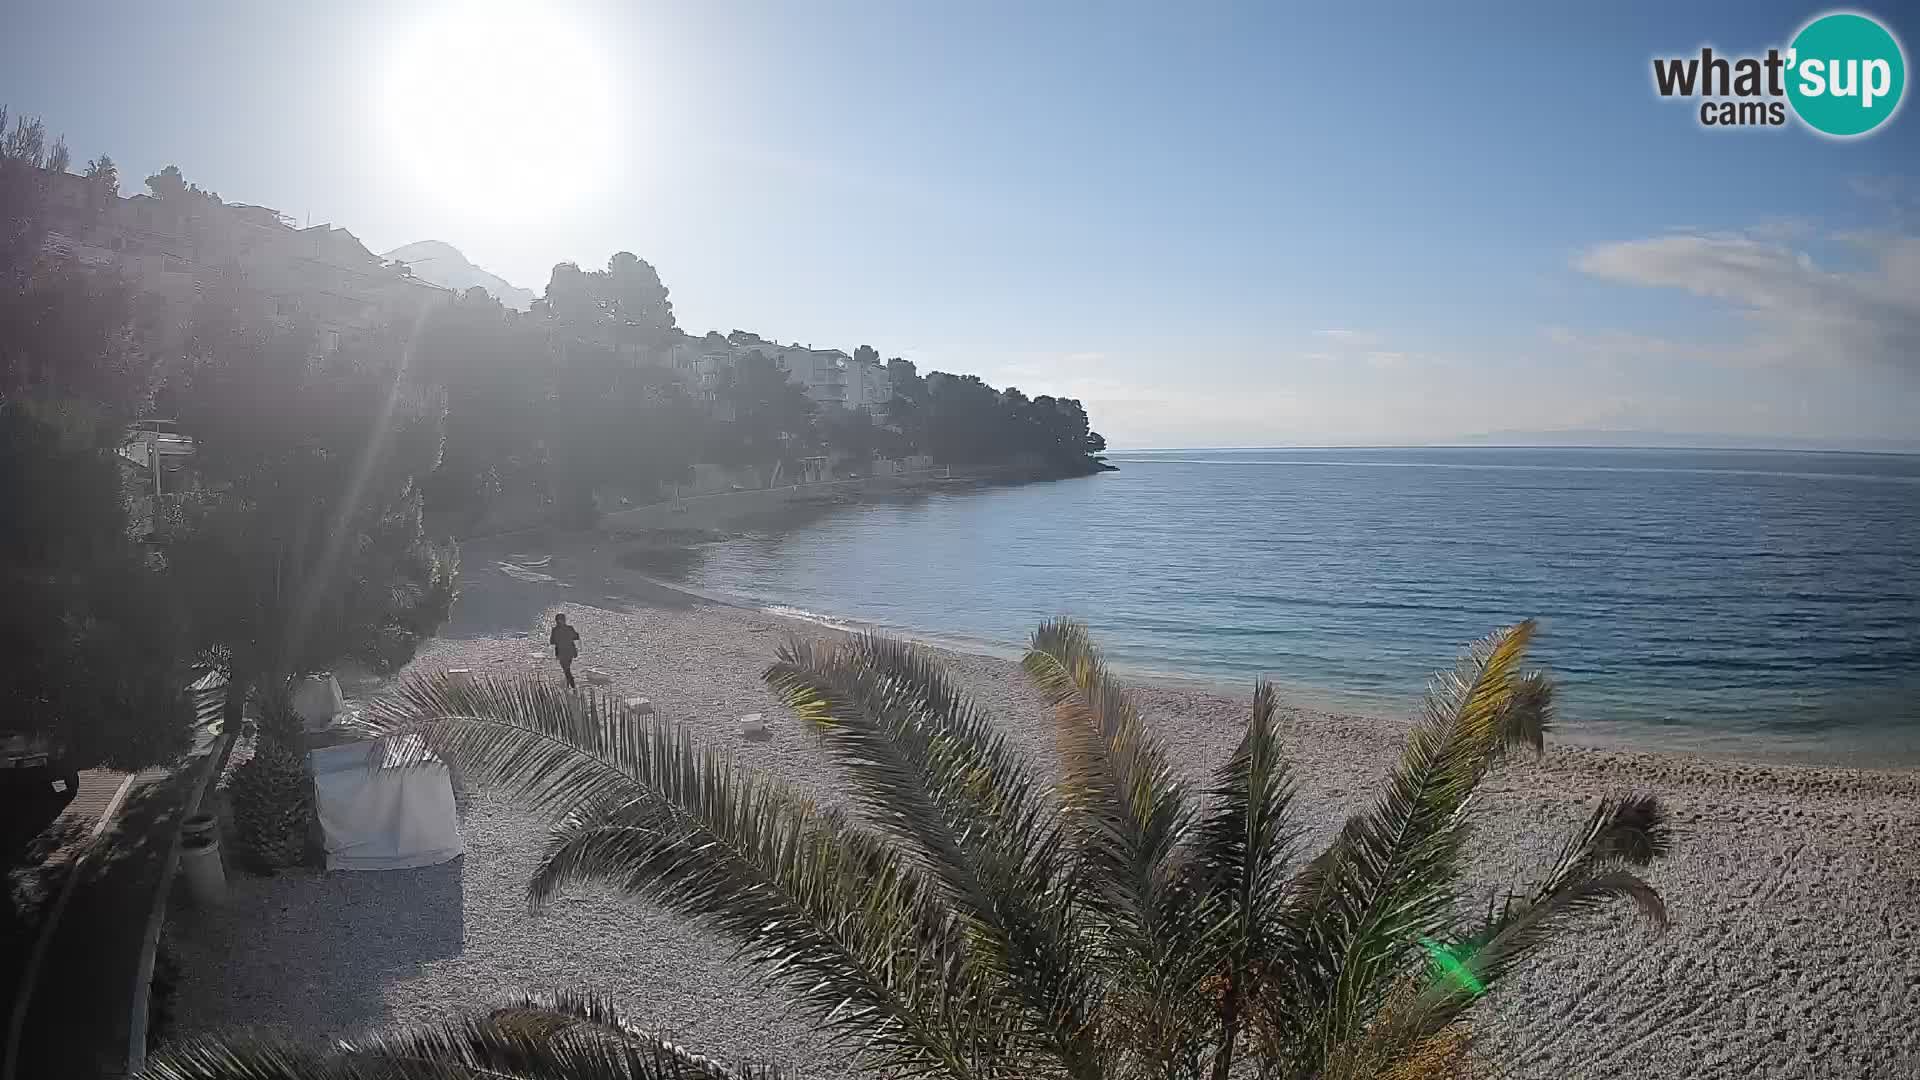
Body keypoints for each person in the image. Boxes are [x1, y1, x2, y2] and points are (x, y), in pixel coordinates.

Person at [549, 612, 581, 688]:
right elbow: (576, 637)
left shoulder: (555, 630)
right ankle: (569, 685)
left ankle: (572, 686)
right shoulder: (569, 628)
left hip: (563, 652)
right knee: (567, 669)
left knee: (566, 669)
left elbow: (552, 641)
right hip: (569, 652)